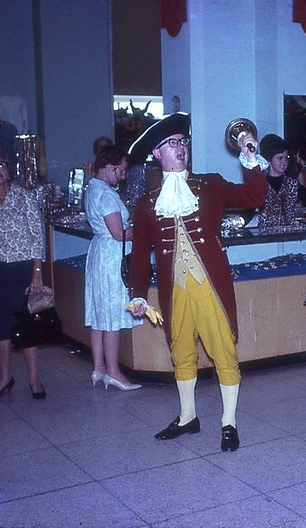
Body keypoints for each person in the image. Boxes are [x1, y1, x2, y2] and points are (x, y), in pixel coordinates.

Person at [128, 112, 268, 452]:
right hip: (174, 292)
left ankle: (229, 421)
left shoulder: (210, 185)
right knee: (182, 353)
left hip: (210, 286)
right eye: (172, 144)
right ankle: (188, 416)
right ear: (157, 154)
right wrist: (137, 295)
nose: (181, 148)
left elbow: (254, 198)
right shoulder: (146, 204)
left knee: (223, 351)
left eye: (184, 143)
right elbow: (139, 254)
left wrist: (250, 159)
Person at [0, 147, 47, 400]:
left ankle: (34, 379)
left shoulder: (24, 196)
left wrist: (37, 272)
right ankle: (5, 377)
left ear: (8, 167)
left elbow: (38, 236)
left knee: (26, 324)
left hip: (22, 267)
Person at [84, 146, 143, 391]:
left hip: (99, 253)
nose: (123, 176)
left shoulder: (92, 189)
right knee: (111, 317)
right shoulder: (106, 195)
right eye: (121, 171)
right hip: (111, 256)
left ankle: (98, 368)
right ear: (110, 166)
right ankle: (114, 372)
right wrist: (143, 228)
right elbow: (119, 234)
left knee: (99, 315)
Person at [257, 134, 306, 227]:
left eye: (286, 157)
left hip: (288, 237)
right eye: (279, 158)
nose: (284, 162)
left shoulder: (292, 184)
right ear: (269, 160)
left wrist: (305, 220)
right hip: (266, 238)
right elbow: (248, 210)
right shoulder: (260, 185)